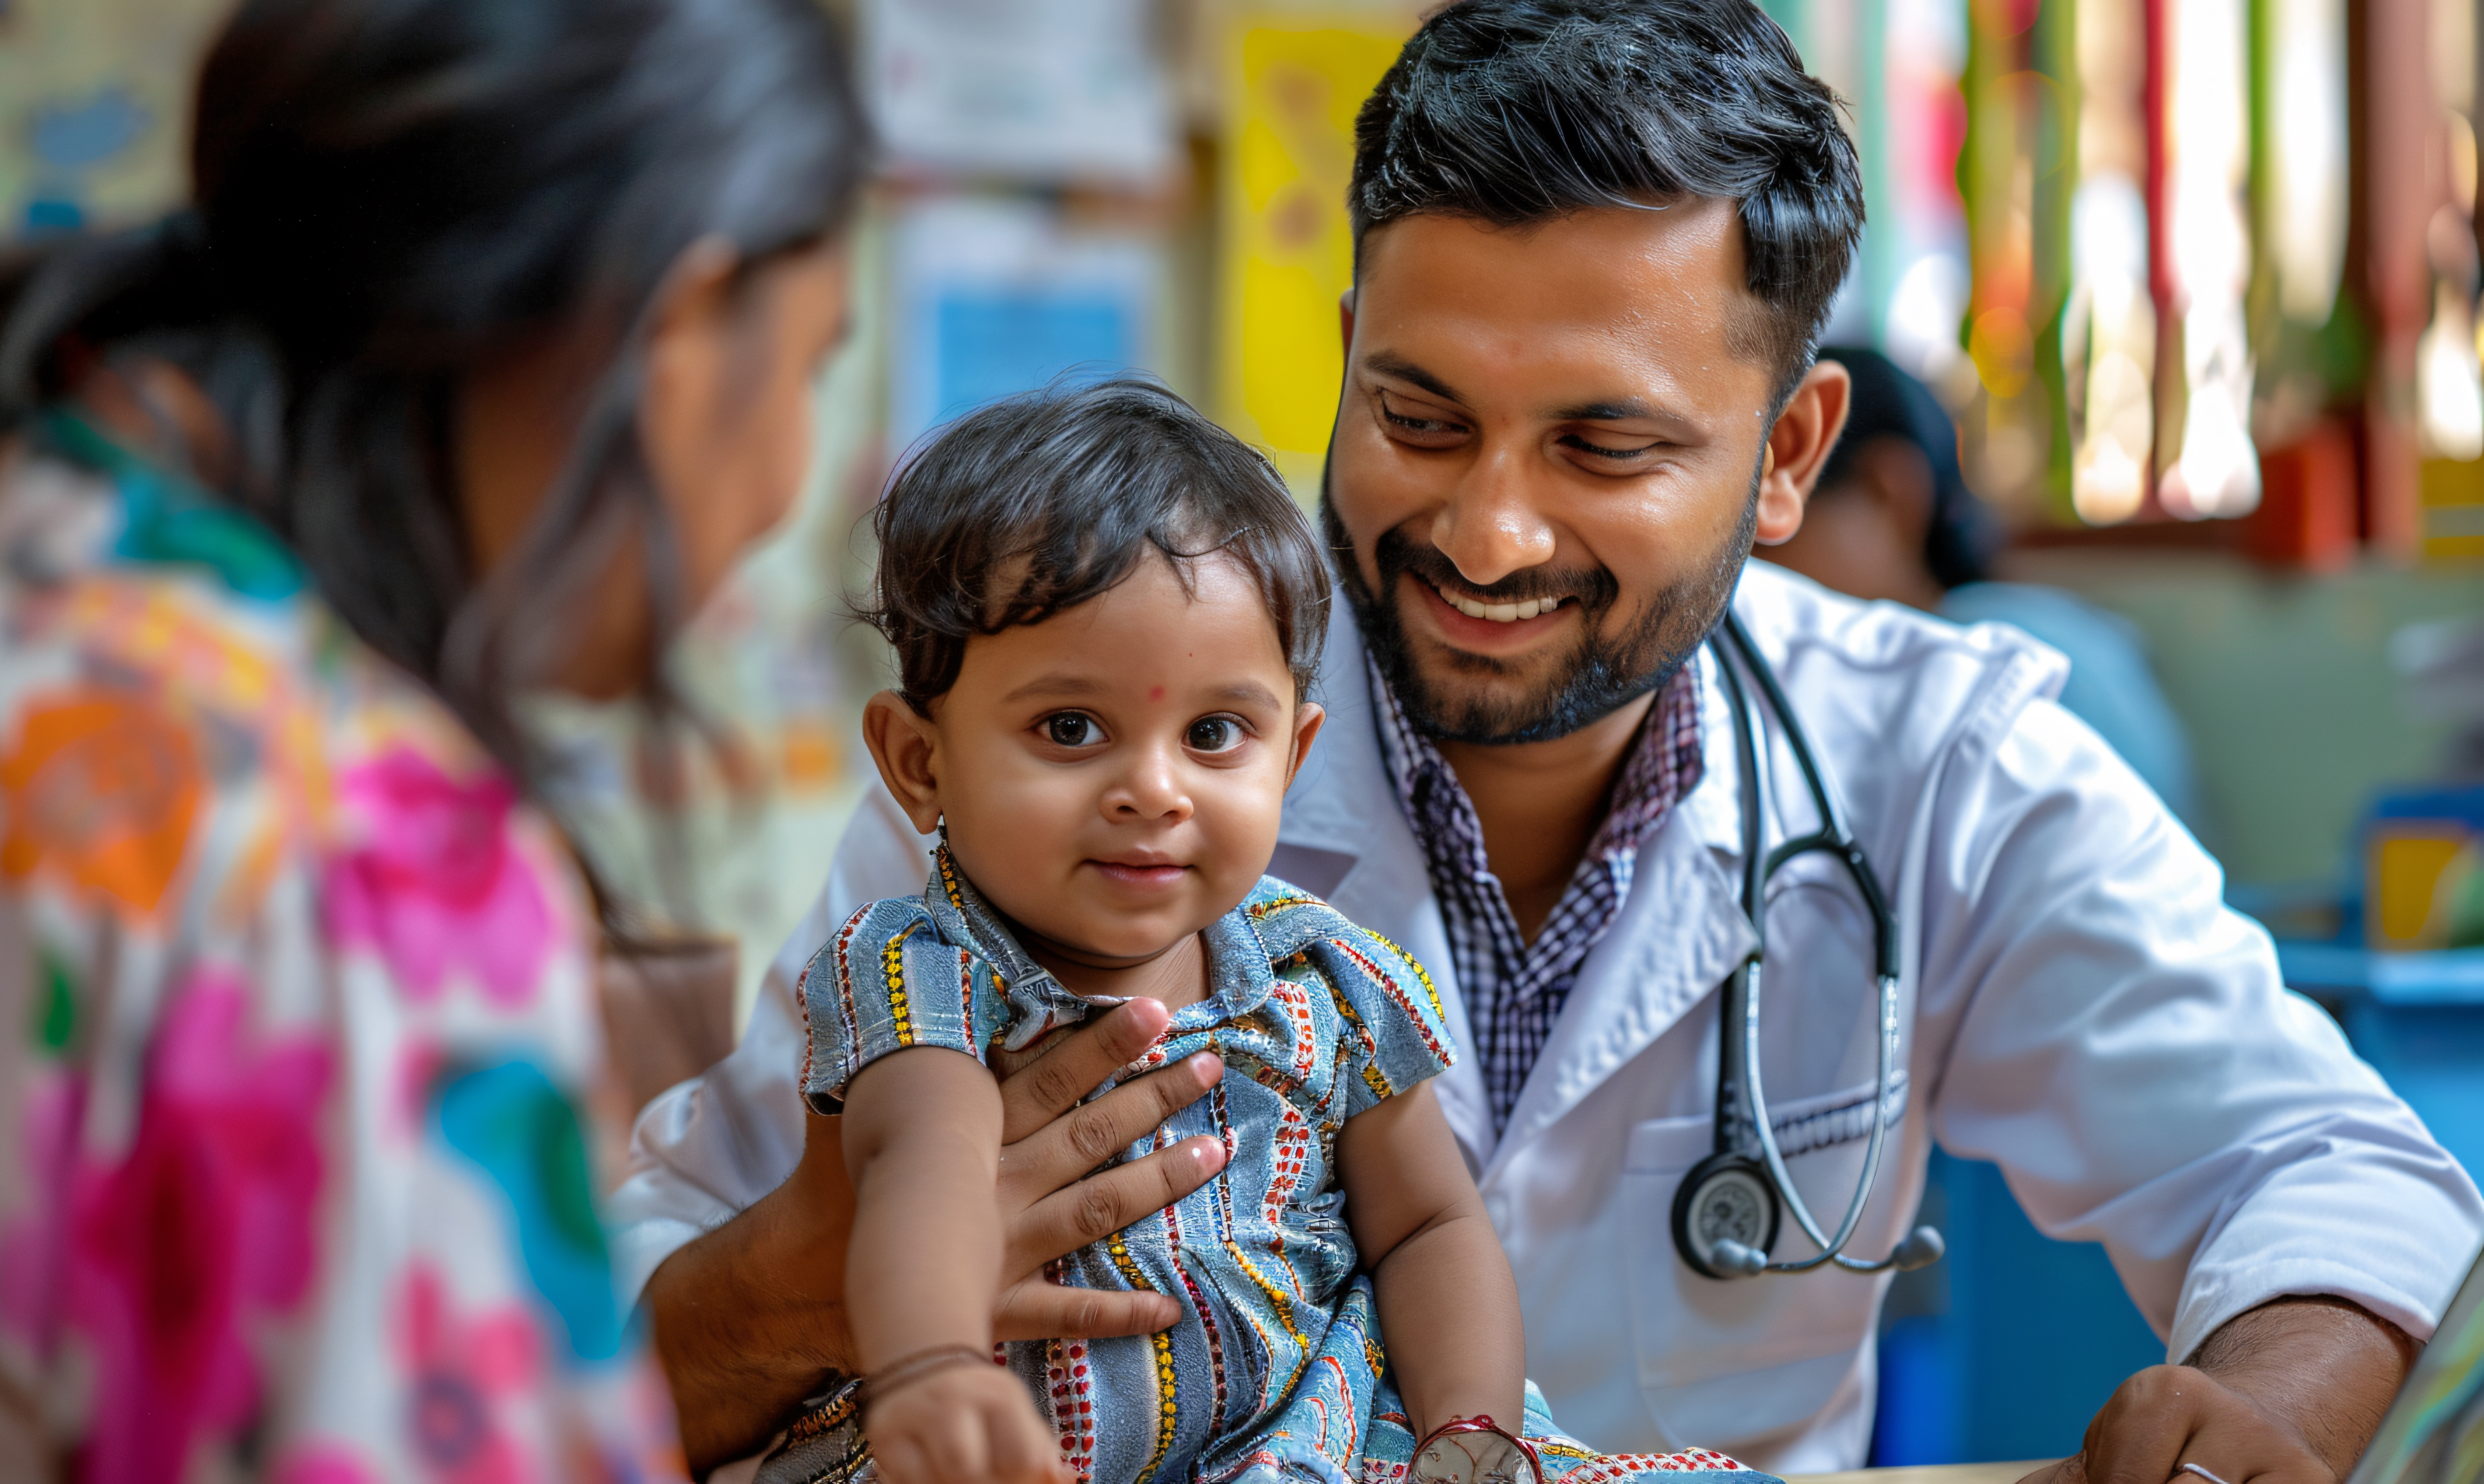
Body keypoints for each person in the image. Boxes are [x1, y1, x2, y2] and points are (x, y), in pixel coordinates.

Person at [617, 1, 2483, 1478]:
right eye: (1418, 415)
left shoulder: (1943, 767)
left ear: (1793, 456)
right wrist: (809, 1283)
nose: (1489, 532)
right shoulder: (1082, 749)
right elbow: (610, 1346)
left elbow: (2325, 1163)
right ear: (1344, 354)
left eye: (1605, 447)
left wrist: (2271, 1404)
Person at [0, 0, 865, 1473]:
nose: (789, 472)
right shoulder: (357, 849)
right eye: (809, 366)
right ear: (676, 324)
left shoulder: (46, 556)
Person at [793, 379, 1756, 1484]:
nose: (1153, 789)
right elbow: (926, 1167)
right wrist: (930, 1367)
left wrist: (1470, 1434)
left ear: (1289, 759)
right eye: (1071, 728)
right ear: (919, 763)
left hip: (1322, 1443)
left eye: (1212, 733)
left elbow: (1429, 1226)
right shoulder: (927, 970)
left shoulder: (1321, 974)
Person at [1763, 346, 2201, 826]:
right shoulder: (2025, 623)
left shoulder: (1985, 664)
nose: (1744, 574)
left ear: (1884, 491)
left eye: (1760, 531)